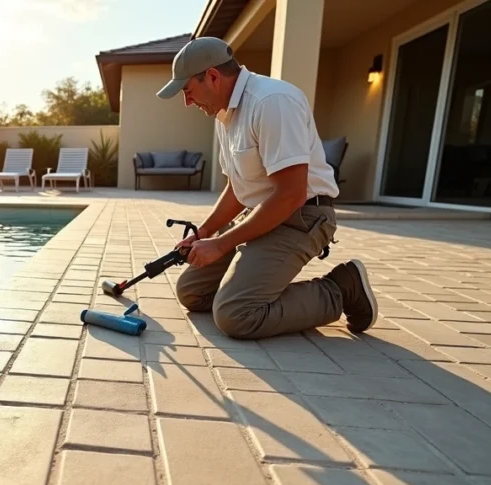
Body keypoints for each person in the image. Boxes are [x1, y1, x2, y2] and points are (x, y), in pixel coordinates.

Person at [155, 36, 377, 340]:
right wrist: (204, 233)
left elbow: (291, 194)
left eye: (188, 91)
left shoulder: (272, 102)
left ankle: (341, 288)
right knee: (193, 292)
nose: (187, 101)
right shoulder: (225, 115)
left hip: (302, 216)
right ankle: (253, 282)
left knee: (235, 315)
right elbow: (238, 187)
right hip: (260, 215)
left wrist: (221, 246)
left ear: (213, 77)